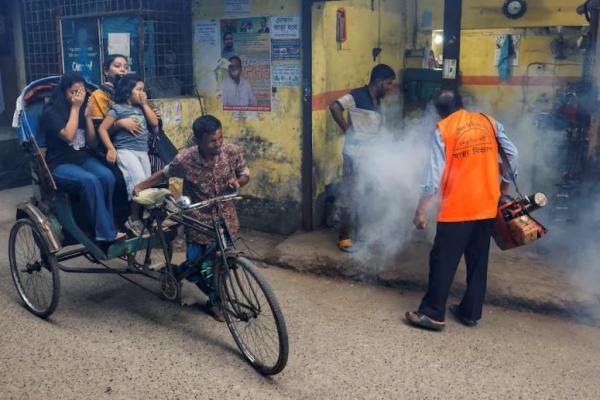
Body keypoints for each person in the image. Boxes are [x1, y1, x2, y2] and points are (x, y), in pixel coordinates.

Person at [405, 89, 519, 331]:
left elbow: (433, 177)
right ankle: (470, 313)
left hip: (458, 207)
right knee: (477, 262)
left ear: (438, 111)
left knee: (442, 260)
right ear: (461, 104)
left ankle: (433, 313)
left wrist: (420, 210)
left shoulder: (443, 130)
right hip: (487, 205)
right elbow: (513, 154)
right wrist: (504, 187)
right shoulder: (488, 121)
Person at [133, 115, 250, 321]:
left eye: (220, 138)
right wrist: (141, 186)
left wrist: (237, 181)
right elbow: (164, 174)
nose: (218, 144)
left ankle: (215, 302)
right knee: (196, 266)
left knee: (223, 263)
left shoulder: (231, 151)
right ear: (198, 142)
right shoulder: (185, 159)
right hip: (198, 219)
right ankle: (177, 274)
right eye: (212, 141)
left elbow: (245, 173)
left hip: (226, 218)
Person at [40, 72, 125, 242]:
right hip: (59, 163)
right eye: (73, 92)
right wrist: (75, 108)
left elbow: (92, 143)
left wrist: (86, 117)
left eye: (81, 92)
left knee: (107, 176)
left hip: (82, 158)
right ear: (64, 92)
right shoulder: (51, 112)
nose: (77, 96)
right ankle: (105, 233)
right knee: (90, 181)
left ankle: (107, 224)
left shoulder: (81, 109)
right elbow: (69, 136)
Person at [329, 64, 396, 252]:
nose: (390, 88)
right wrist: (347, 130)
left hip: (370, 156)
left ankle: (360, 231)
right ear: (379, 81)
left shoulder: (378, 102)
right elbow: (334, 107)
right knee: (350, 193)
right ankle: (344, 236)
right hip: (353, 155)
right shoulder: (356, 95)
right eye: (389, 84)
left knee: (366, 192)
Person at [97, 75, 159, 235]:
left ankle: (145, 215)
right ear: (127, 91)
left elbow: (154, 123)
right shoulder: (117, 109)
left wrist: (145, 104)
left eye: (143, 90)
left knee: (147, 182)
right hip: (125, 151)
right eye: (138, 89)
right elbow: (102, 129)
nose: (142, 93)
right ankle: (133, 218)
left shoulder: (141, 108)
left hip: (142, 151)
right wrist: (111, 148)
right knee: (137, 181)